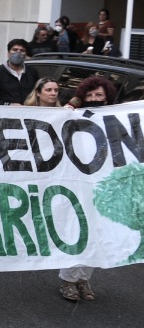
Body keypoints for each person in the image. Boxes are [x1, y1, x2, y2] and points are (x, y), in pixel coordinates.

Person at [56, 77, 119, 302]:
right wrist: (74, 103)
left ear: (108, 98)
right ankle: (68, 279)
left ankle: (83, 278)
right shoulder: (71, 116)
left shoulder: (115, 118)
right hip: (77, 183)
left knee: (97, 233)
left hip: (104, 186)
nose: (94, 100)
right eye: (90, 96)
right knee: (77, 231)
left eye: (99, 96)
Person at [0, 38, 39, 105]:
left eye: (22, 50)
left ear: (26, 54)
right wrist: (8, 105)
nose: (18, 53)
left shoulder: (32, 72)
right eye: (15, 50)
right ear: (8, 53)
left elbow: (37, 94)